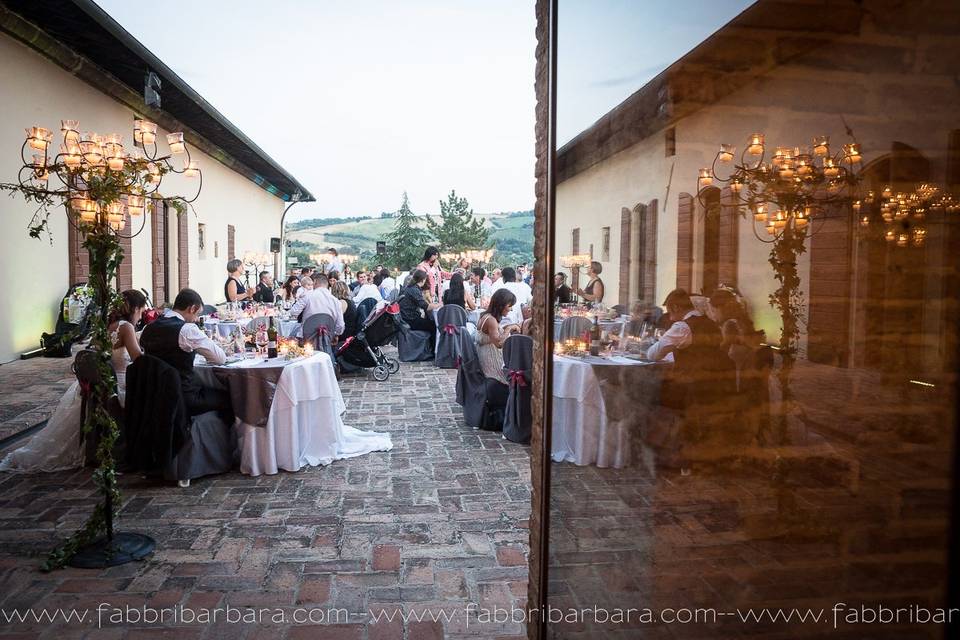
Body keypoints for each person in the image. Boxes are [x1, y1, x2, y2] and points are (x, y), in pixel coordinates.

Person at [0, 290, 147, 472]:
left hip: (102, 384)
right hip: (119, 385)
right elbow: (138, 359)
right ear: (134, 308)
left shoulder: (107, 324)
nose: (141, 316)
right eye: (141, 311)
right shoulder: (126, 327)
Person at [140, 288, 231, 417]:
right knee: (232, 397)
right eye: (197, 314)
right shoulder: (187, 330)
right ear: (192, 308)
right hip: (184, 397)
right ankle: (215, 436)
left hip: (154, 395)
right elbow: (220, 358)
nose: (196, 319)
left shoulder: (148, 328)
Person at [476, 288, 521, 420]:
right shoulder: (490, 320)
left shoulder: (486, 317)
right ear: (501, 304)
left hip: (488, 359)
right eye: (509, 306)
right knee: (518, 372)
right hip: (492, 367)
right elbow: (499, 343)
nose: (511, 309)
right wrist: (509, 328)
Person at [287, 273, 345, 338]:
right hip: (326, 338)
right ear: (327, 284)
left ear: (315, 282)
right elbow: (340, 326)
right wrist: (335, 335)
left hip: (307, 337)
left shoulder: (307, 296)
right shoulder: (336, 301)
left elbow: (293, 312)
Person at [399, 269, 440, 341]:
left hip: (405, 318)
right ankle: (433, 350)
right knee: (434, 326)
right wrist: (440, 304)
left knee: (428, 321)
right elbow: (426, 307)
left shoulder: (409, 288)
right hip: (411, 320)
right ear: (423, 280)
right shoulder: (414, 290)